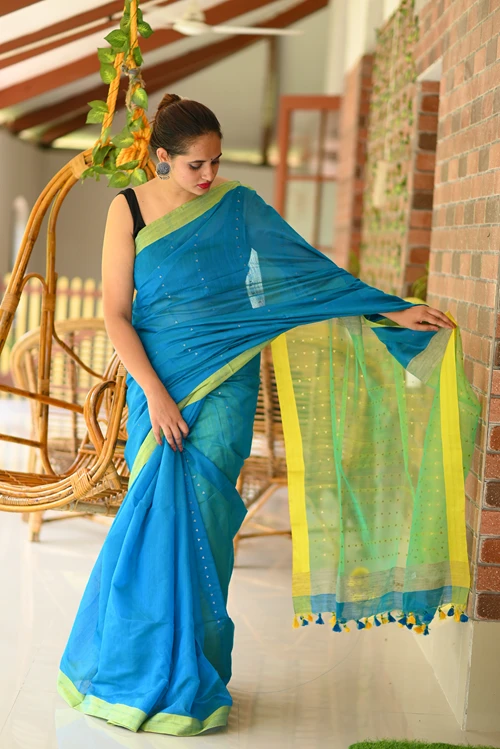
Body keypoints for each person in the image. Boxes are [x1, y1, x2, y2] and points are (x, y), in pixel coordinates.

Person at [56, 94, 478, 736]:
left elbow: (309, 275)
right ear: (161, 157)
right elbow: (117, 314)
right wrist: (158, 394)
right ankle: (129, 668)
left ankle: (192, 673)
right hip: (156, 385)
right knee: (152, 519)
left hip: (227, 383)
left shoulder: (239, 207)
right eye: (196, 165)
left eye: (216, 162)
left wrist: (393, 309)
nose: (209, 175)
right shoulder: (129, 209)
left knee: (205, 520)